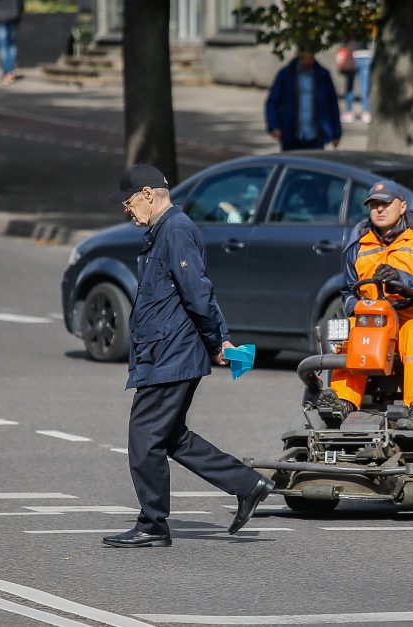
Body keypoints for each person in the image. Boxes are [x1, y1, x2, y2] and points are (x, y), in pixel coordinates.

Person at [101, 164, 274, 548]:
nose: (126, 211)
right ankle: (247, 484)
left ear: (148, 194)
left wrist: (219, 341)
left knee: (144, 438)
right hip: (167, 350)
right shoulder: (164, 230)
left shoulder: (175, 230)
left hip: (171, 354)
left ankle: (152, 525)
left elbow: (198, 292)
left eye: (128, 202)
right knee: (172, 437)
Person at [319, 180, 413, 432]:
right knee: (350, 330)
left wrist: (401, 280)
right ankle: (342, 403)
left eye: (385, 203)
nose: (379, 209)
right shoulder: (359, 245)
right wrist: (359, 312)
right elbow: (348, 292)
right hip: (377, 323)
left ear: (402, 206)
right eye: (374, 205)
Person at [265, 46, 342, 151]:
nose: (307, 61)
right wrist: (274, 126)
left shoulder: (322, 75)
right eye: (304, 58)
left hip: (315, 136)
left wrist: (336, 133)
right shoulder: (286, 75)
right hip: (291, 135)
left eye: (310, 58)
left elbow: (332, 105)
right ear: (298, 57)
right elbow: (272, 102)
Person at [0, 0, 24, 85]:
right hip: (14, 15)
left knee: (3, 46)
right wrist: (20, 14)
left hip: (0, 17)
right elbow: (21, 3)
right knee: (12, 45)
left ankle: (6, 73)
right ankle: (9, 72)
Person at [340, 41, 372, 124]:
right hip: (365, 55)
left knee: (350, 86)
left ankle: (349, 112)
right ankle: (365, 112)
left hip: (352, 55)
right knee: (364, 87)